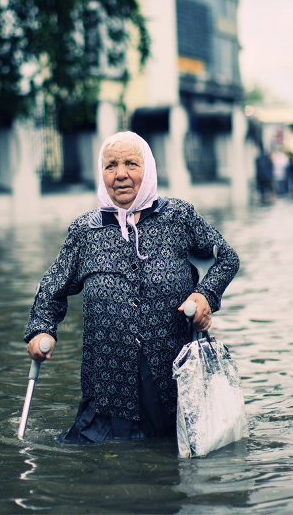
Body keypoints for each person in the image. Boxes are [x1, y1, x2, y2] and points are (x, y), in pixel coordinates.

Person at [24, 131, 240, 444]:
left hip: (172, 380)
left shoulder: (178, 216)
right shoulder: (86, 230)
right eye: (111, 165)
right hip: (107, 384)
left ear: (148, 169)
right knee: (103, 462)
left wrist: (205, 297)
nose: (121, 174)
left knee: (169, 459)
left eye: (131, 164)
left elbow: (226, 258)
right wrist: (42, 330)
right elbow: (52, 288)